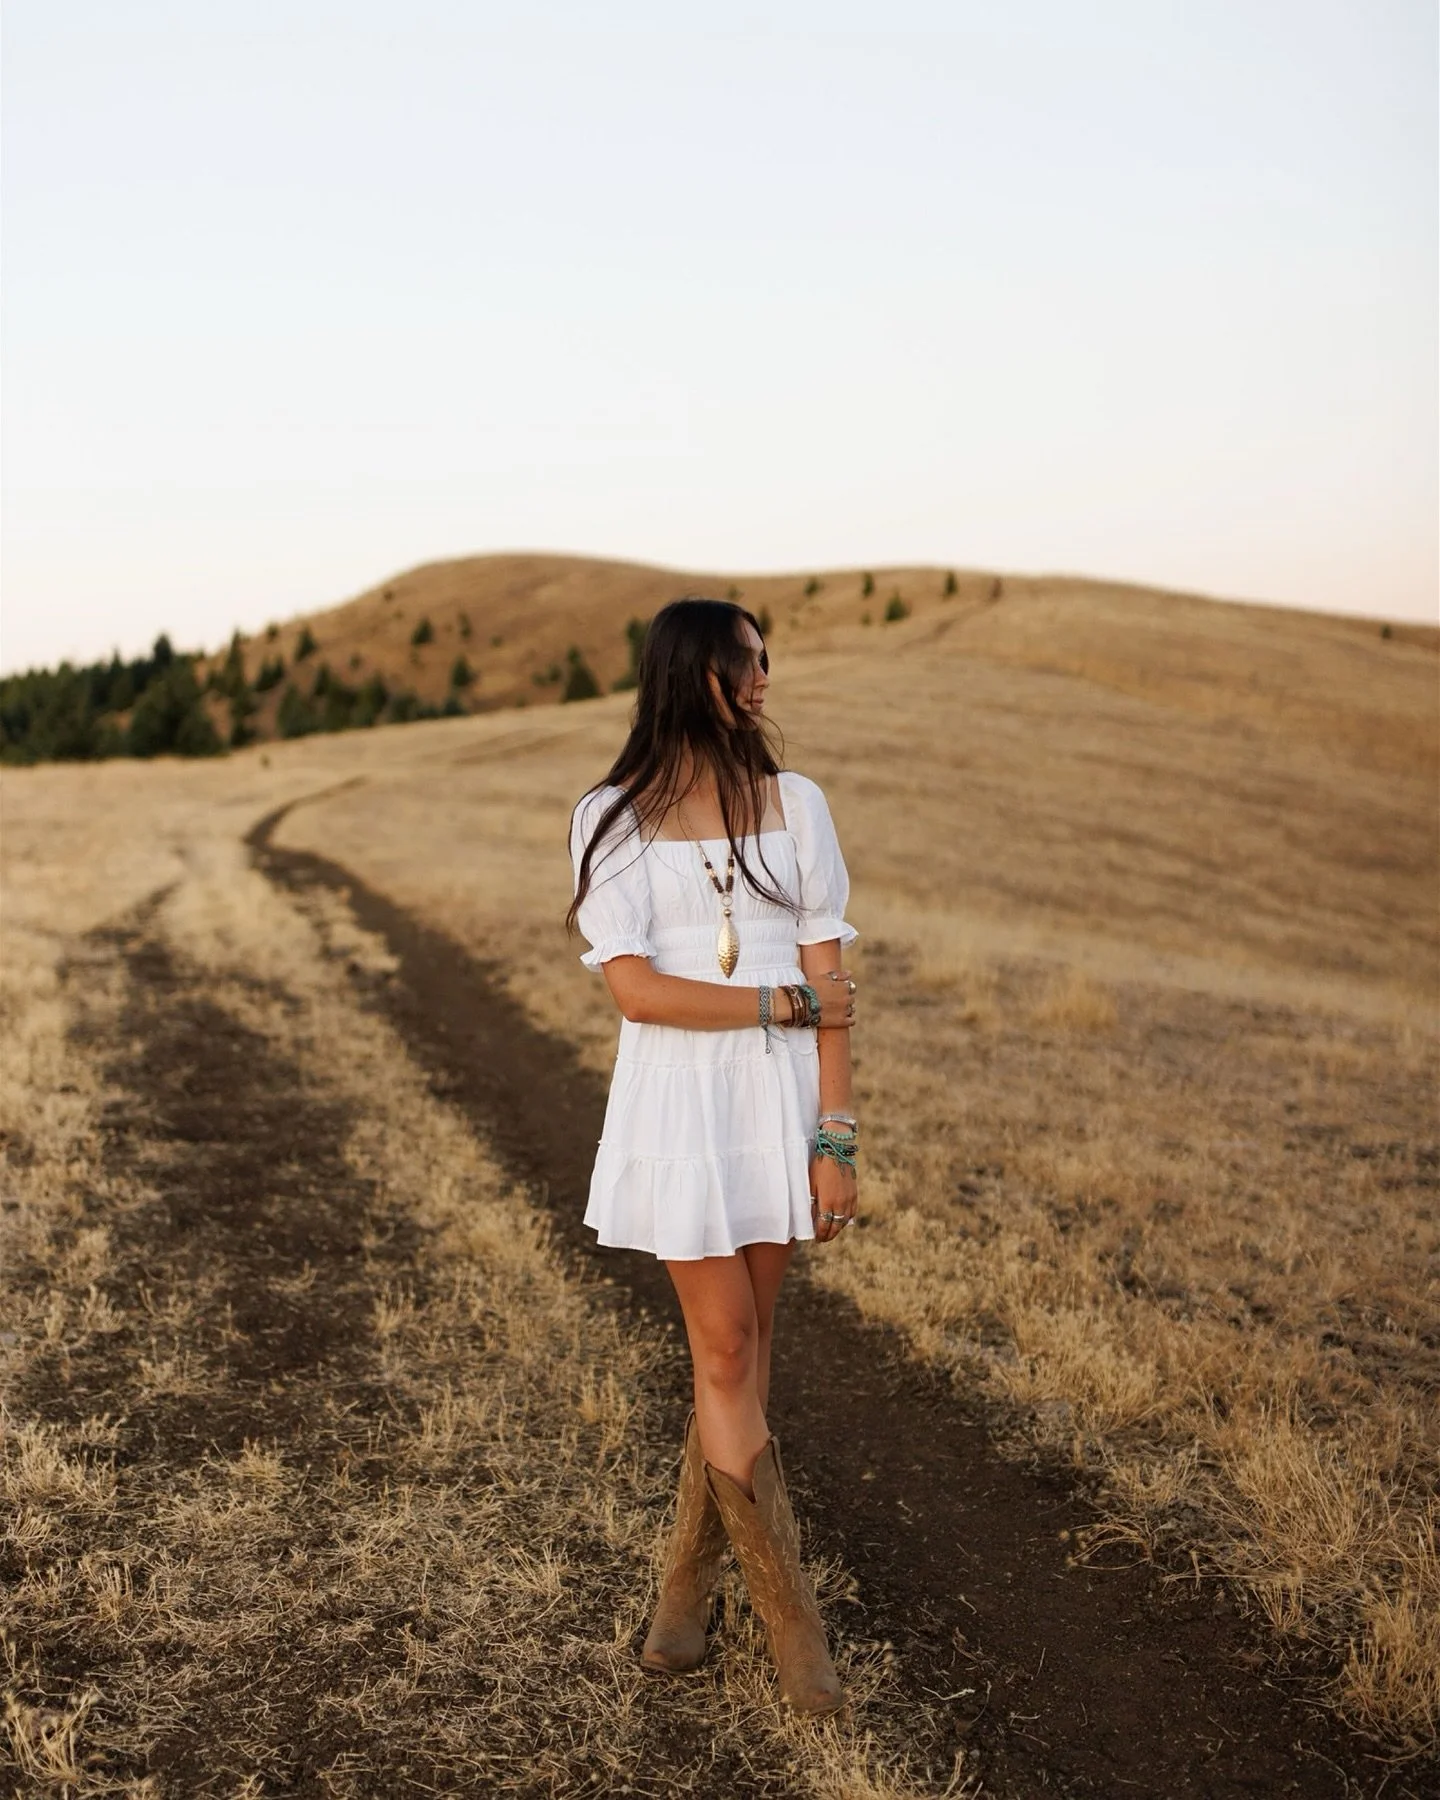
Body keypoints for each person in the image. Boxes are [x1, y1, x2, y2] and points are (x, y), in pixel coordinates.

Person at [567, 596, 859, 1714]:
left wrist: (835, 1136)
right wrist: (779, 999)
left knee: (742, 1353)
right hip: (682, 1105)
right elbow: (636, 991)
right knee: (728, 1348)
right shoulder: (612, 817)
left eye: (768, 655)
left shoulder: (798, 806)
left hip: (781, 1102)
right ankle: (796, 1631)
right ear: (698, 675)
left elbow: (838, 991)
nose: (767, 676)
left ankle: (685, 1594)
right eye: (750, 658)